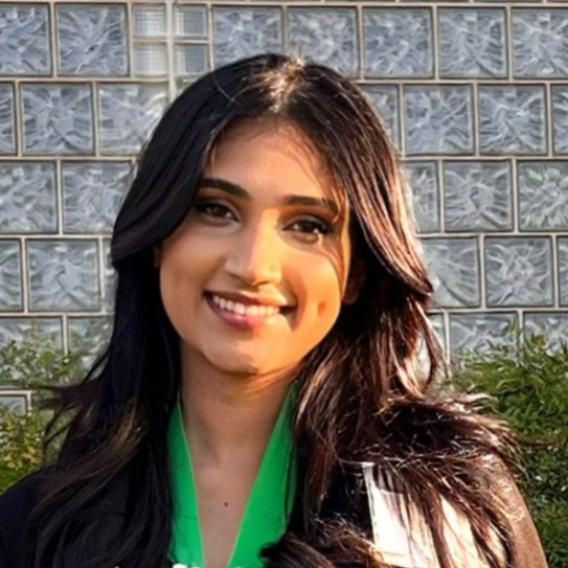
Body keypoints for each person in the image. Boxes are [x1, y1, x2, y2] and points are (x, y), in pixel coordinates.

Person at [0, 53, 548, 568]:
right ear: (158, 237)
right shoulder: (36, 528)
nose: (253, 264)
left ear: (358, 271)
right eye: (215, 209)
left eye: (308, 225)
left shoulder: (449, 511)